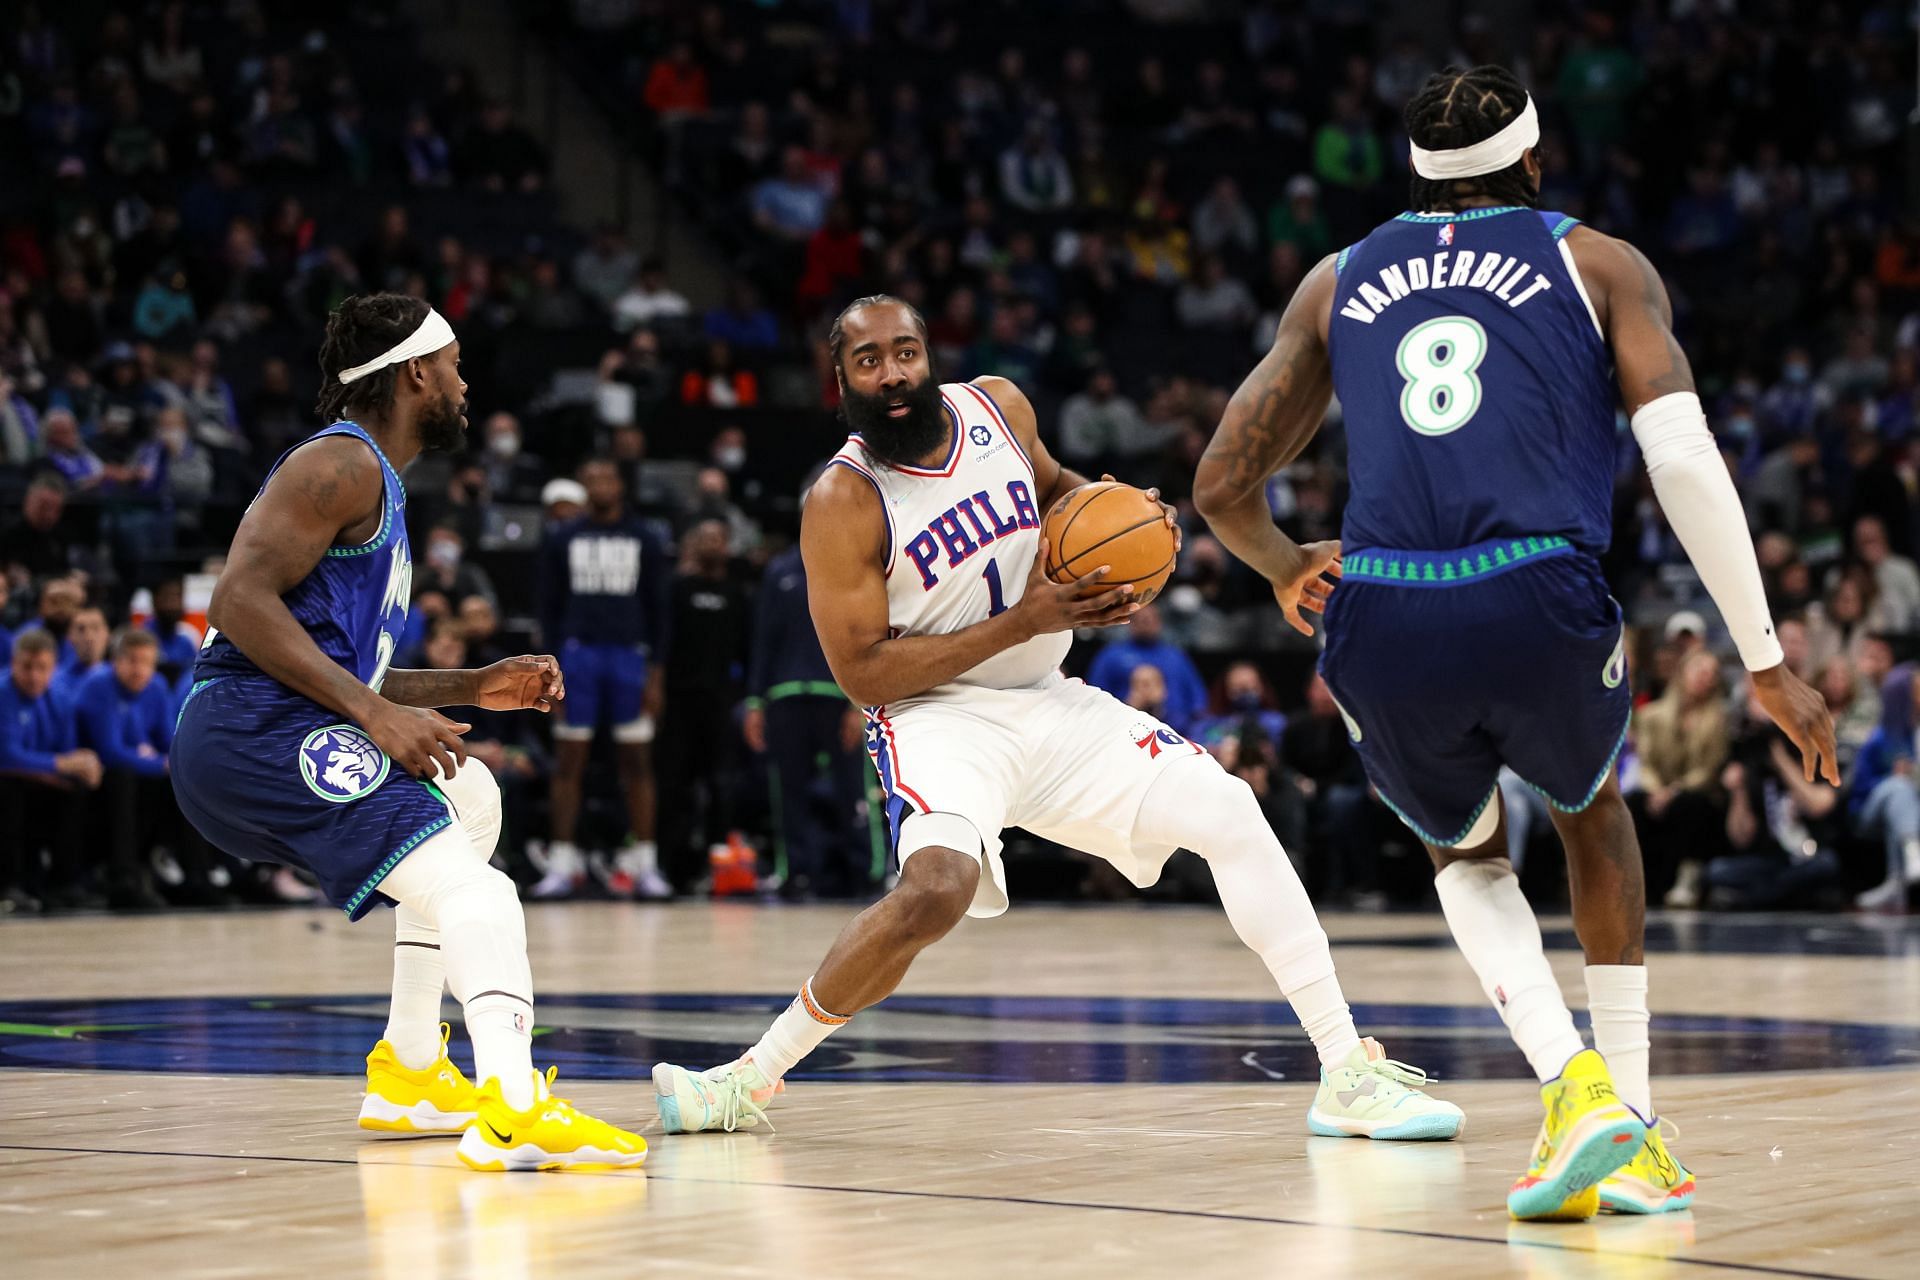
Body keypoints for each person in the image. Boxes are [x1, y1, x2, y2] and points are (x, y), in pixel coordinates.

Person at [1194, 66, 1836, 1221]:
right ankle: (1625, 1120)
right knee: (1594, 810)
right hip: (1535, 588)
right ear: (1536, 164)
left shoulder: (1337, 280)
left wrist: (1289, 564)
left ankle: (1566, 1077)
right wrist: (1765, 660)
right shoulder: (1600, 262)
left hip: (1384, 602)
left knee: (1466, 852)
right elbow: (1684, 460)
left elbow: (1221, 484)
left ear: (1415, 177)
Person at [650, 294, 1461, 1142]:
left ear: (929, 355)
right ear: (841, 380)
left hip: (1051, 698)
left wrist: (1127, 521)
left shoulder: (998, 408)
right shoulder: (842, 500)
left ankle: (1346, 1072)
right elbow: (862, 674)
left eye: (904, 353)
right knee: (937, 890)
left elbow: (1060, 491)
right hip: (939, 718)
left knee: (1229, 810)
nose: (891, 375)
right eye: (868, 361)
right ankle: (747, 1078)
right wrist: (1023, 619)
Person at [168, 293, 644, 1171]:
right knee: (483, 897)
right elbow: (236, 604)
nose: (465, 382)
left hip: (271, 723)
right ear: (417, 371)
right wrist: (377, 713)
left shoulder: (373, 480)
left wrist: (470, 685)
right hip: (249, 730)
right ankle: (509, 1106)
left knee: (468, 792)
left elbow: (329, 660)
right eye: (456, 364)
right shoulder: (342, 464)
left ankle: (413, 1070)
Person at [536, 457, 672, 900]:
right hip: (577, 658)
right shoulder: (562, 539)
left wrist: (656, 674)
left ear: (621, 484)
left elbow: (660, 611)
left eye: (607, 476)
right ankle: (561, 862)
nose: (600, 483)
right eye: (591, 477)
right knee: (569, 760)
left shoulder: (645, 538)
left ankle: (645, 863)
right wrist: (548, 672)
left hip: (629, 658)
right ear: (582, 487)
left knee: (637, 762)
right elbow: (548, 610)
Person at [745, 497, 874, 900]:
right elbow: (764, 641)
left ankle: (868, 873)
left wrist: (862, 704)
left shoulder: (857, 566)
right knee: (789, 793)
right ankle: (796, 873)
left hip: (842, 696)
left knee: (855, 789)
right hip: (785, 696)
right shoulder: (780, 570)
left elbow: (869, 635)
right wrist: (754, 702)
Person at [654, 519, 753, 891]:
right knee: (675, 784)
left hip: (720, 703)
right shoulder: (677, 589)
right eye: (705, 538)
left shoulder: (738, 594)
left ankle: (718, 867)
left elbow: (746, 649)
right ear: (693, 544)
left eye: (719, 538)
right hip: (679, 701)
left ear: (728, 546)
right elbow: (663, 646)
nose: (713, 544)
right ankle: (672, 868)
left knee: (720, 785)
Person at [0, 630, 101, 913]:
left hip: (39, 781)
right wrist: (60, 765)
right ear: (13, 663)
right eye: (26, 667)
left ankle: (65, 882)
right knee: (9, 791)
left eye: (42, 668)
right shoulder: (3, 694)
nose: (33, 676)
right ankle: (11, 885)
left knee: (79, 789)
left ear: (53, 668)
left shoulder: (61, 698)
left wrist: (84, 765)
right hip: (9, 783)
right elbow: (7, 755)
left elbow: (67, 752)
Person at [1082, 602, 1207, 735]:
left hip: (1176, 730)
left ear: (1160, 622)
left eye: (1151, 619)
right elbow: (1094, 697)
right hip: (1124, 729)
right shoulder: (1111, 655)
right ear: (1130, 623)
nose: (1146, 623)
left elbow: (1197, 700)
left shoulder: (1176, 656)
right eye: (1141, 619)